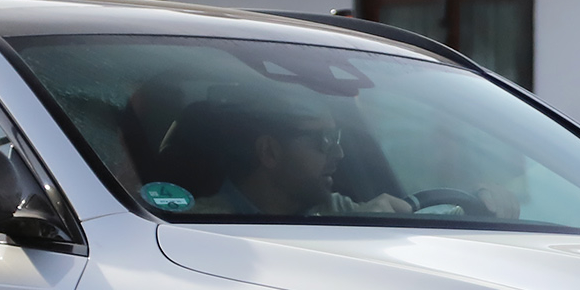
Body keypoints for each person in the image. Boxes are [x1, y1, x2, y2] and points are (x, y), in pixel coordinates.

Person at [171, 87, 411, 217]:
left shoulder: (333, 208)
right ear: (270, 152)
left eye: (336, 137)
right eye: (325, 139)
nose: (339, 153)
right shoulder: (200, 223)